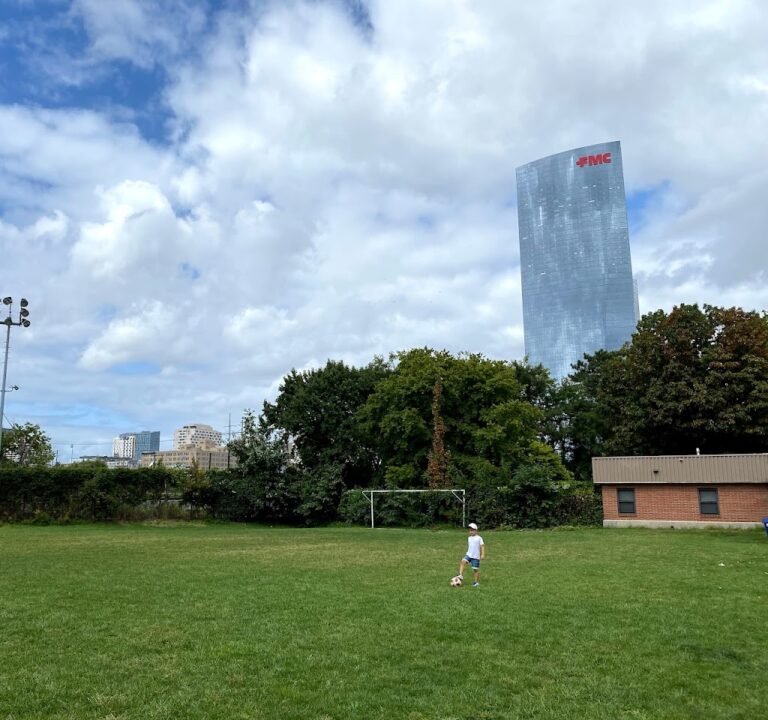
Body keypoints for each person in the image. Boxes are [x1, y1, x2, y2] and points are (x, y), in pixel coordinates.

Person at [458, 522, 485, 587]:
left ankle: (476, 582)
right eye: (470, 530)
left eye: (472, 530)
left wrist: (482, 554)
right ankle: (460, 575)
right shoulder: (469, 538)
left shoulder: (479, 538)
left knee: (475, 570)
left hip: (475, 557)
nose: (470, 532)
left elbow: (482, 546)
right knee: (463, 561)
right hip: (469, 555)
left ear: (476, 530)